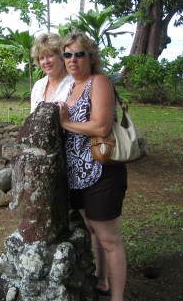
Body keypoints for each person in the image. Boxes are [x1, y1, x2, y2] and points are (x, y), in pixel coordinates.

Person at [57, 31, 128, 301]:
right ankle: (102, 279)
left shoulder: (98, 82)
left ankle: (117, 297)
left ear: (90, 57)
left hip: (101, 170)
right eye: (68, 54)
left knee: (109, 238)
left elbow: (101, 125)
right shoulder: (71, 86)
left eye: (79, 54)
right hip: (78, 174)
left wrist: (65, 123)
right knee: (94, 229)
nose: (73, 60)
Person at [30, 33, 74, 113]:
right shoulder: (38, 86)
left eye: (50, 56)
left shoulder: (75, 84)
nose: (46, 62)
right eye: (41, 58)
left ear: (61, 56)